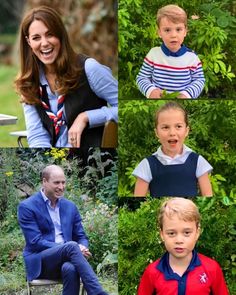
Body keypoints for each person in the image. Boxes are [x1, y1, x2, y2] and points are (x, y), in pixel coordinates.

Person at [15, 6, 118, 148]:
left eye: (50, 34)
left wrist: (86, 117)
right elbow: (37, 135)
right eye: (36, 38)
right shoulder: (29, 83)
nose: (44, 43)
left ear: (60, 35)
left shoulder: (89, 69)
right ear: (29, 42)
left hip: (92, 162)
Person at [18, 165, 108, 295]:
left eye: (63, 182)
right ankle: (98, 293)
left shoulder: (70, 206)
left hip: (67, 259)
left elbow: (81, 236)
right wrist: (69, 247)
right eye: (56, 183)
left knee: (70, 268)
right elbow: (35, 242)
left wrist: (82, 247)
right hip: (41, 262)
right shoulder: (27, 207)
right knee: (71, 246)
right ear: (44, 182)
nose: (61, 187)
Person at [138, 197, 229, 295]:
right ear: (162, 234)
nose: (179, 240)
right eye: (171, 233)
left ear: (197, 232)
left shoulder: (212, 268)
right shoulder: (151, 272)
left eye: (186, 232)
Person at [132, 101, 213, 197]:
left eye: (178, 126)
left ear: (186, 131)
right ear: (157, 132)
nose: (172, 133)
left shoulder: (198, 161)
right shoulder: (147, 165)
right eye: (165, 127)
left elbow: (207, 196)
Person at [136, 4, 205, 99]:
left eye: (178, 29)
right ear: (159, 32)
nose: (173, 35)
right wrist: (151, 91)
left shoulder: (192, 58)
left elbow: (199, 80)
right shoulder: (153, 54)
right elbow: (141, 78)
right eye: (167, 30)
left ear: (185, 31)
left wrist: (187, 94)